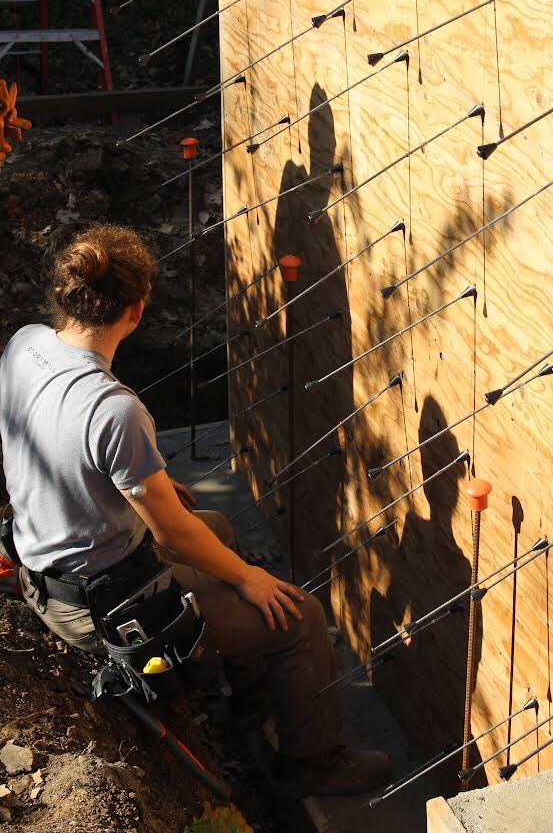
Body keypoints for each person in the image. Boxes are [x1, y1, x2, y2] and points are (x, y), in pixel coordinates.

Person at [0, 224, 390, 798]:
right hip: (101, 607)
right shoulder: (113, 409)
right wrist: (251, 578)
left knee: (219, 528)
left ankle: (250, 699)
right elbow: (173, 536)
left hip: (45, 570)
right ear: (137, 311)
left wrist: (147, 484)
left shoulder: (24, 344)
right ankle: (313, 765)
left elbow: (54, 443)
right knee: (299, 617)